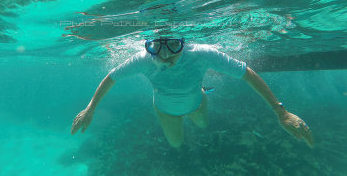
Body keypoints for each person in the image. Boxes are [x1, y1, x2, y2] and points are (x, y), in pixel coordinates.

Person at [71, 38, 314, 148]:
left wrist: (280, 112)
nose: (165, 54)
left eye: (173, 46)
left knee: (202, 125)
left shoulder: (203, 54)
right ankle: (198, 98)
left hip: (197, 103)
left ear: (184, 42)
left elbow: (247, 73)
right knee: (176, 144)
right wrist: (90, 109)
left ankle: (202, 95)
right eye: (156, 47)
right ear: (148, 45)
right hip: (165, 111)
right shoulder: (143, 60)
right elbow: (111, 78)